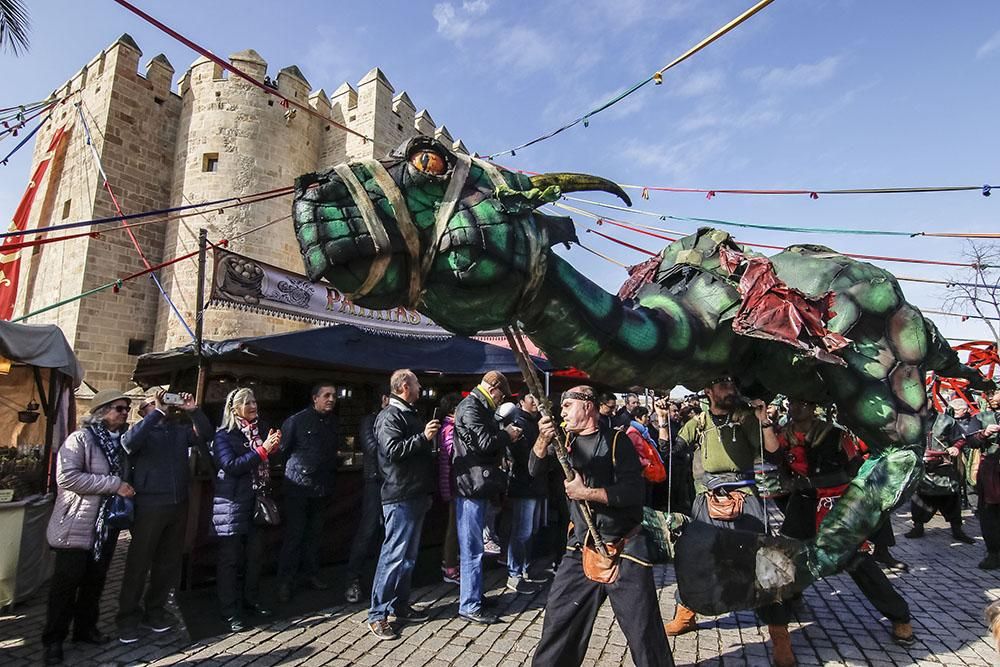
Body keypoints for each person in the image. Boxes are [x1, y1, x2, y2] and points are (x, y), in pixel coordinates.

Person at [529, 386, 674, 667]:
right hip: (581, 547)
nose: (563, 412)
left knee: (643, 631)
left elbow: (632, 493)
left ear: (588, 406)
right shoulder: (564, 442)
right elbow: (534, 469)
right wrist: (542, 439)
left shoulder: (618, 441)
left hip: (625, 548)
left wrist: (587, 493)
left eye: (568, 405)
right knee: (559, 623)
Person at [663, 377, 794, 667]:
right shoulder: (697, 421)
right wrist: (662, 420)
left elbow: (772, 450)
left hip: (745, 500)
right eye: (722, 385)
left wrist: (764, 421)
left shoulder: (746, 418)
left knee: (762, 566)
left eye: (732, 384)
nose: (730, 389)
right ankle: (687, 613)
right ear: (708, 391)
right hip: (707, 500)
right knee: (696, 560)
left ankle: (779, 635)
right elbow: (671, 449)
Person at [778, 399, 914, 645]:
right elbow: (778, 465)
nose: (793, 408)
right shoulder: (783, 435)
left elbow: (856, 466)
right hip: (801, 504)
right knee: (789, 556)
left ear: (812, 407)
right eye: (791, 403)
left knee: (858, 561)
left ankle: (899, 616)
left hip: (835, 504)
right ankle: (787, 605)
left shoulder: (835, 435)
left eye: (800, 404)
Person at [42, 390, 135, 666]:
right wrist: (113, 484)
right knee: (65, 585)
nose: (124, 413)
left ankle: (85, 629)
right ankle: (53, 641)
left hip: (104, 526)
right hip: (76, 524)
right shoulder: (81, 439)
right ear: (102, 410)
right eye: (119, 408)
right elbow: (68, 477)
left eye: (126, 409)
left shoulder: (120, 443)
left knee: (95, 581)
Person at [116, 390, 212, 643]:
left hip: (178, 503)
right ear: (143, 409)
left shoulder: (178, 431)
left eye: (166, 402)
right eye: (155, 403)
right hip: (149, 504)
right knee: (139, 563)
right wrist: (156, 411)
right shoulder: (140, 431)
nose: (164, 406)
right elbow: (128, 444)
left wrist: (194, 411)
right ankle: (127, 618)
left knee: (167, 563)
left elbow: (205, 434)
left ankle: (155, 611)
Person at [368, 369, 440, 640]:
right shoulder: (389, 416)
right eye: (417, 383)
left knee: (407, 558)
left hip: (416, 493)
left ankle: (400, 605)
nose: (421, 387)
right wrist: (423, 438)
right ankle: (378, 614)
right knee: (394, 556)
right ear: (404, 386)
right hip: (400, 495)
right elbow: (393, 451)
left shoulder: (409, 413)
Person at [453, 371, 522, 623]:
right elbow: (483, 443)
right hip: (471, 484)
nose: (500, 400)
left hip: (477, 484)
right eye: (500, 395)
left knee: (477, 546)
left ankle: (475, 597)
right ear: (493, 389)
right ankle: (469, 605)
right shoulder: (472, 406)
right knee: (472, 547)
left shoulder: (477, 406)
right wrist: (508, 435)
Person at [212, 388, 281, 632]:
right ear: (234, 409)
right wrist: (263, 450)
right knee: (230, 560)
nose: (253, 405)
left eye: (254, 400)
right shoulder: (223, 435)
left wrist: (273, 448)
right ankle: (230, 611)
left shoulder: (259, 431)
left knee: (255, 556)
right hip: (232, 504)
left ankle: (251, 600)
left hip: (256, 502)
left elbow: (265, 460)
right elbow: (230, 466)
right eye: (247, 402)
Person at [276, 383, 340, 602]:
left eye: (334, 396)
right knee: (295, 535)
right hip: (298, 487)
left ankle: (311, 574)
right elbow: (282, 452)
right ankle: (285, 581)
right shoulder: (297, 421)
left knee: (314, 536)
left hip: (321, 487)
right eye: (326, 395)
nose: (331, 399)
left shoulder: (332, 422)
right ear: (315, 398)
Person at [905, 403, 975, 544]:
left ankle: (957, 529)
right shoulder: (910, 420)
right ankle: (918, 527)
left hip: (944, 469)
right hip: (922, 468)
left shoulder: (947, 421)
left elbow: (961, 438)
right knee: (920, 498)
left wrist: (955, 447)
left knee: (951, 498)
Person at [345, 389, 391, 602]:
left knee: (387, 533)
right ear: (383, 398)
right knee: (368, 529)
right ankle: (353, 578)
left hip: (391, 482)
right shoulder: (369, 420)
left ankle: (381, 581)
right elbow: (371, 447)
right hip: (374, 480)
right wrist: (395, 447)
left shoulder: (395, 418)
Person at [505, 392, 547, 592]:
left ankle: (526, 568)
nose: (537, 403)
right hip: (524, 483)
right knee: (522, 531)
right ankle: (514, 573)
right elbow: (523, 455)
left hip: (538, 484)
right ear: (521, 402)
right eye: (532, 399)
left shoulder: (536, 420)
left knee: (532, 530)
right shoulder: (517, 422)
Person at [970, 389, 1000, 569]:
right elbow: (970, 441)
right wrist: (983, 434)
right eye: (989, 394)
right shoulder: (981, 417)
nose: (991, 398)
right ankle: (994, 553)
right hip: (990, 469)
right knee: (989, 513)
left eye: (995, 393)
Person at [435, 392, 463, 585]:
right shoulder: (450, 428)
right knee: (453, 526)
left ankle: (452, 563)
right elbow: (452, 453)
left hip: (452, 481)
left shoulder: (448, 427)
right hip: (453, 482)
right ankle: (450, 567)